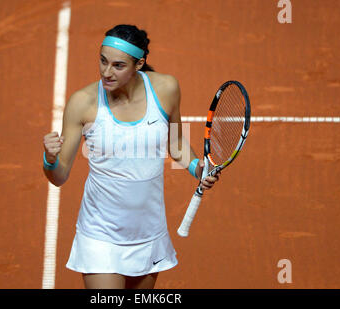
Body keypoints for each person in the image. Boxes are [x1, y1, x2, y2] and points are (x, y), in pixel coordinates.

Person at [42, 24, 220, 289]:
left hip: (148, 233)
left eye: (117, 65)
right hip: (100, 235)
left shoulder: (166, 88)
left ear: (139, 64)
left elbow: (176, 142)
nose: (106, 72)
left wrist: (197, 168)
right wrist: (50, 159)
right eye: (102, 61)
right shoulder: (83, 103)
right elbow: (59, 177)